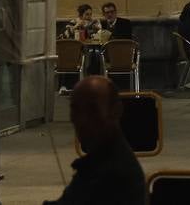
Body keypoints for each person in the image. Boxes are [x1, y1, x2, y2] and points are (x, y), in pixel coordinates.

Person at [44, 76, 146, 204]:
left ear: (116, 111)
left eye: (92, 111)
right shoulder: (99, 161)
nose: (82, 120)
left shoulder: (113, 176)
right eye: (75, 110)